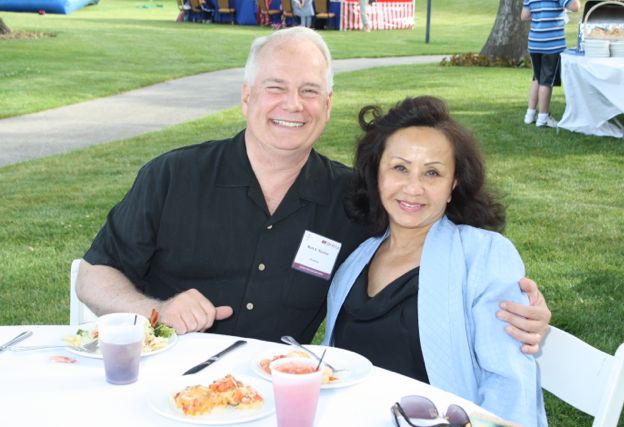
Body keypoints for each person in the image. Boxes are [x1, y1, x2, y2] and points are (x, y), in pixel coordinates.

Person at [76, 27, 550, 351]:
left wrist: (510, 301)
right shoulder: (173, 176)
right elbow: (93, 277)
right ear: (246, 97)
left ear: (327, 104)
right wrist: (156, 310)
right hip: (161, 382)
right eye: (275, 88)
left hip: (276, 395)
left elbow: (429, 230)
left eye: (309, 91)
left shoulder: (353, 198)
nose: (293, 105)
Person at [322, 96, 546, 426]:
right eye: (400, 168)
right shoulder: (356, 260)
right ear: (377, 174)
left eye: (432, 173)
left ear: (453, 185)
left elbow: (510, 386)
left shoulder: (482, 256)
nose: (414, 188)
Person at [521, 0, 580, 128]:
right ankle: (543, 118)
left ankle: (530, 115)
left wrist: (541, 18)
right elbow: (575, 7)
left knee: (537, 78)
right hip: (552, 45)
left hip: (535, 42)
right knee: (546, 82)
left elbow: (524, 16)